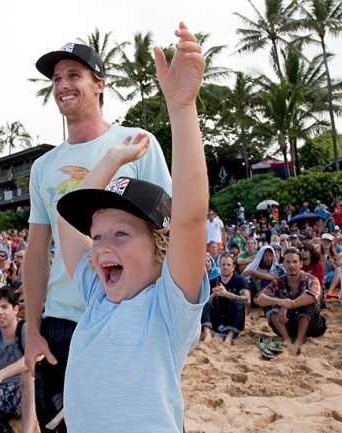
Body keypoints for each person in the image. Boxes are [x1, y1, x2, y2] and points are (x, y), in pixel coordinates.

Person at [53, 23, 207, 431]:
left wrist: (181, 106)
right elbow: (67, 225)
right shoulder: (96, 297)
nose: (102, 245)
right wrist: (111, 160)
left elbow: (190, 216)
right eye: (98, 235)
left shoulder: (168, 308)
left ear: (161, 248)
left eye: (121, 234)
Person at [25, 39, 172, 432]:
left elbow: (167, 231)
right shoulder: (44, 166)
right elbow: (37, 252)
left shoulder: (136, 143)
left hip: (125, 313)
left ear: (100, 84)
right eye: (56, 78)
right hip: (61, 318)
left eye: (74, 75)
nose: (62, 85)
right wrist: (33, 328)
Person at [0, 288, 36, 433]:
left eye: (5, 307)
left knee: (28, 374)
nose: (0, 313)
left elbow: (34, 357)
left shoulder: (25, 329)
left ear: (15, 309)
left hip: (23, 392)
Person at [254, 248, 327, 355]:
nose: (291, 265)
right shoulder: (278, 281)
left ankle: (298, 341)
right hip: (287, 324)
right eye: (288, 262)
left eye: (295, 262)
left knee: (309, 302)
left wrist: (287, 306)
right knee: (269, 301)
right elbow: (258, 298)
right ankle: (286, 339)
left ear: (301, 264)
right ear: (283, 264)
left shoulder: (311, 279)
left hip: (311, 326)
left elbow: (313, 295)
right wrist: (279, 302)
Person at [202, 255, 249, 346]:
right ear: (219, 265)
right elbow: (206, 305)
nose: (225, 267)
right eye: (223, 264)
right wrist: (213, 296)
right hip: (217, 317)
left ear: (233, 267)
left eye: (228, 265)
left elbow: (247, 300)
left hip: (233, 317)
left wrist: (227, 294)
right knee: (203, 304)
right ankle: (208, 334)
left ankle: (230, 336)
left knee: (238, 304)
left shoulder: (239, 280)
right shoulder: (213, 282)